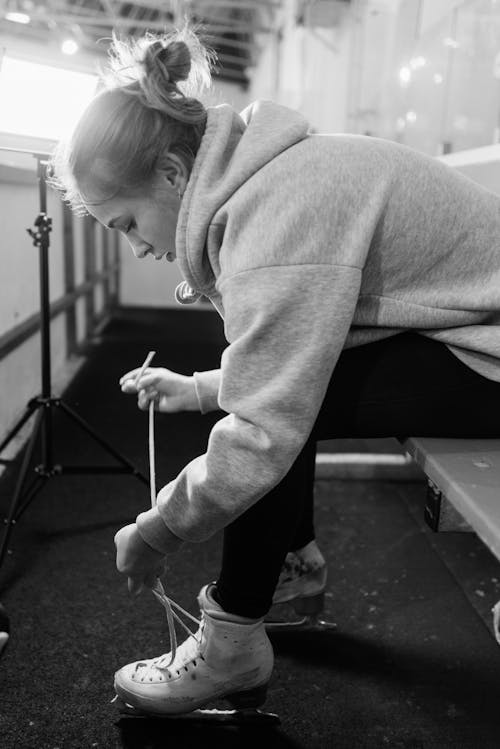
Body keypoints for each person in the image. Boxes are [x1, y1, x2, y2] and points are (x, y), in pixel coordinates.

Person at [50, 25, 500, 716]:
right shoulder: (267, 180)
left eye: (127, 224)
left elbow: (269, 416)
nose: (138, 247)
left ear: (172, 174)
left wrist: (156, 529)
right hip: (473, 338)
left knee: (283, 416)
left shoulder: (273, 217)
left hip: (490, 352)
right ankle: (285, 567)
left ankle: (233, 636)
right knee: (290, 399)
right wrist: (203, 388)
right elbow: (299, 348)